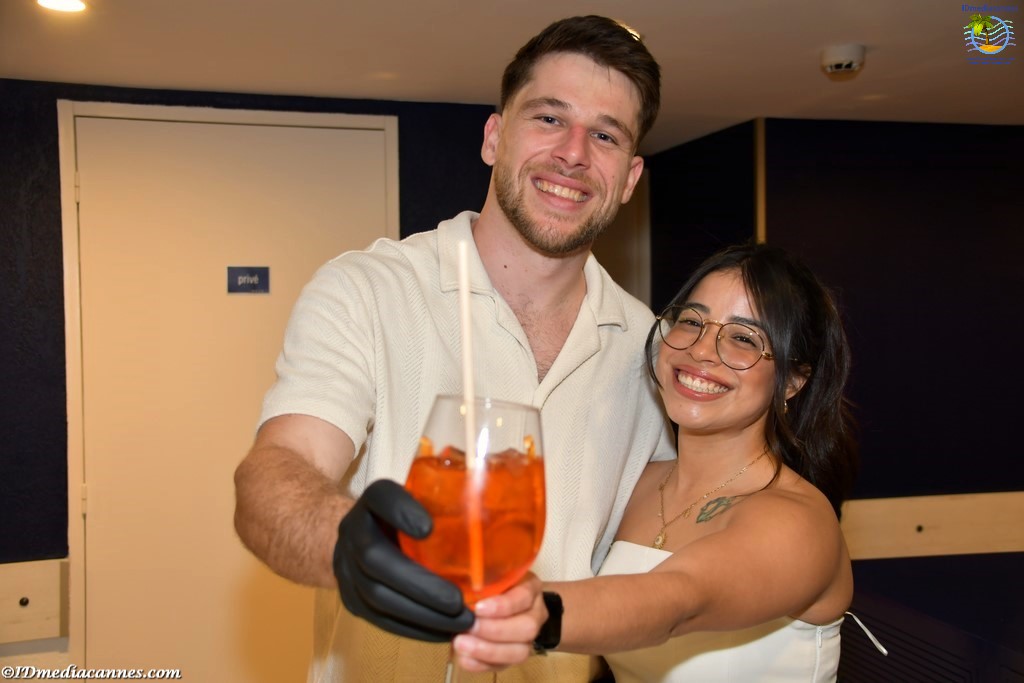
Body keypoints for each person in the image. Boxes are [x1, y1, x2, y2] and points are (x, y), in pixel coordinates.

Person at [233, 15, 674, 683]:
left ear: (630, 176)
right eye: (549, 118)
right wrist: (345, 541)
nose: (574, 153)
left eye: (605, 135)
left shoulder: (653, 351)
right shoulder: (368, 290)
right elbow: (275, 474)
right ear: (494, 137)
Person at [453, 242, 861, 682]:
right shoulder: (637, 483)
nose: (701, 350)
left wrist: (523, 613)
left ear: (793, 381)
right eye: (692, 321)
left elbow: (678, 600)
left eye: (744, 338)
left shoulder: (796, 519)